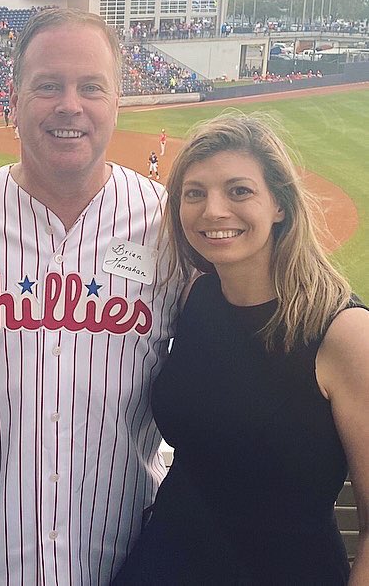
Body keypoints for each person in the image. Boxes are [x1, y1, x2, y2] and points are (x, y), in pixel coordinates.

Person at [0, 8, 183, 586]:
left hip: (124, 561)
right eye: (48, 85)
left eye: (90, 87)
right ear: (15, 101)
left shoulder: (169, 224)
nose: (69, 105)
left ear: (117, 101)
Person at [115, 114, 369, 584]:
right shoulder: (196, 299)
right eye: (195, 193)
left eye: (239, 191)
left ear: (279, 204)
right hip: (164, 562)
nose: (213, 211)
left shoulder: (345, 333)